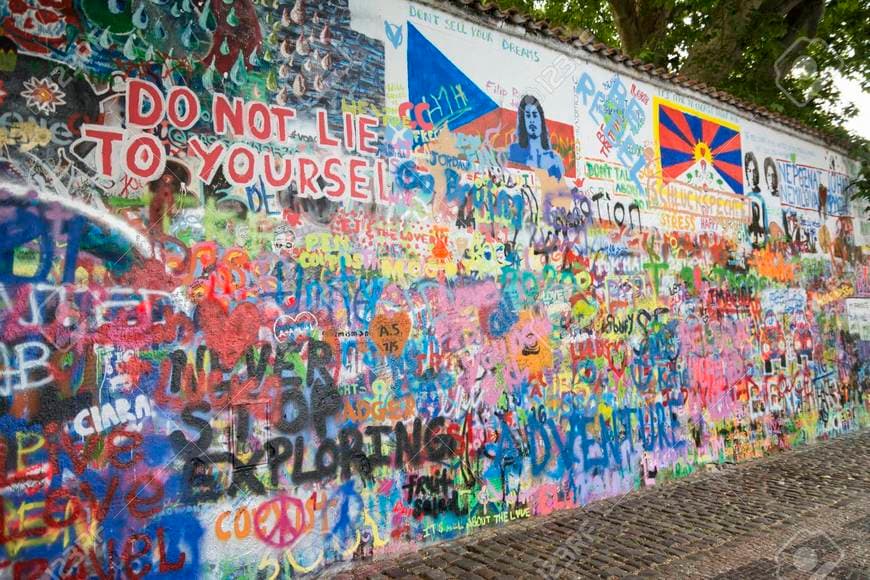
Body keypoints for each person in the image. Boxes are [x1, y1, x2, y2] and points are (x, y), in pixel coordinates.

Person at [508, 95, 564, 179]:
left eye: (534, 115)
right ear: (524, 120)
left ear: (541, 119)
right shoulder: (514, 151)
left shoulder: (554, 159)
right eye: (527, 116)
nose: (531, 120)